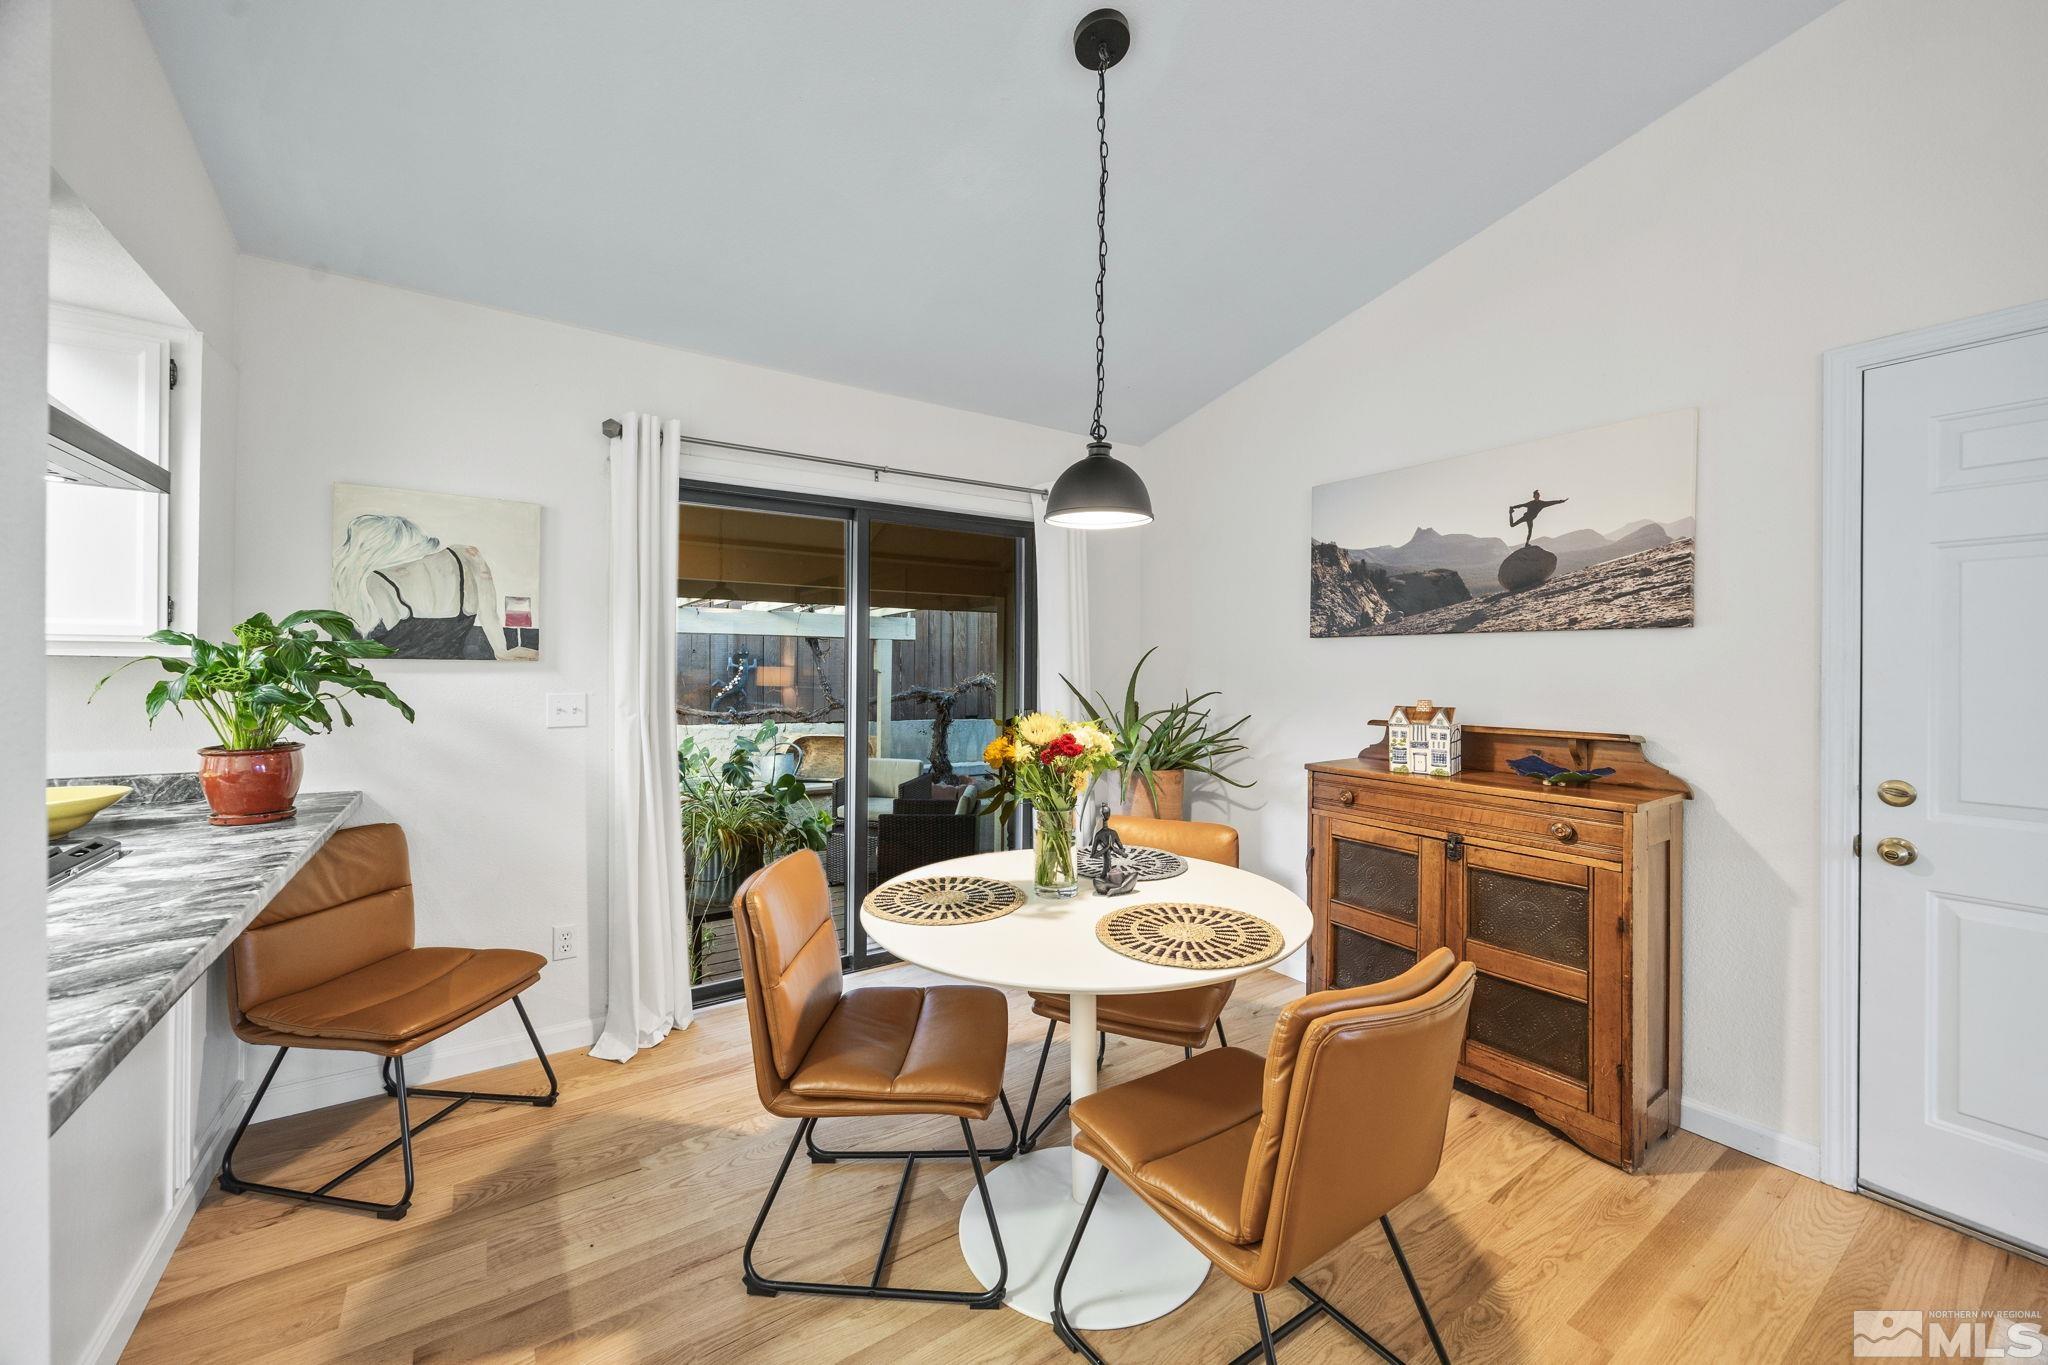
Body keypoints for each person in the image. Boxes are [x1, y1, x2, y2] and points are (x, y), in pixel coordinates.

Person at [332, 513, 535, 660]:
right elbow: (490, 616)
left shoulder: (377, 579)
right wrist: (502, 651)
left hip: (399, 678)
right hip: (457, 673)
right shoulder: (467, 555)